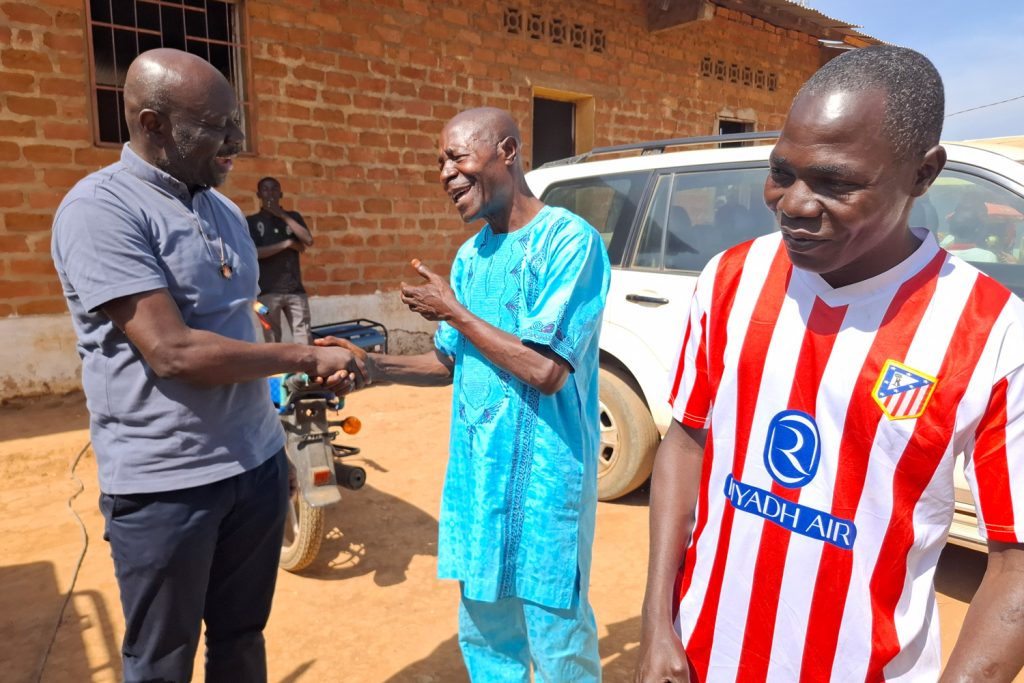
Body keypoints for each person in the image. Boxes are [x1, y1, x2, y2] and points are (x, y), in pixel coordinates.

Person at [636, 45, 1024, 683]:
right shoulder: (731, 277)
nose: (793, 203)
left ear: (923, 174)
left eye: (836, 183)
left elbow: (1015, 562)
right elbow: (686, 441)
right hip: (704, 656)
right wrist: (657, 623)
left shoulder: (992, 332)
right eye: (781, 172)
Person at [50, 48, 365, 683]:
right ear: (154, 124)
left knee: (242, 638)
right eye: (217, 127)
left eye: (236, 122)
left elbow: (239, 319)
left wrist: (282, 412)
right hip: (167, 484)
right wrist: (305, 352)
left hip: (255, 465)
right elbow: (173, 351)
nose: (237, 142)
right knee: (162, 659)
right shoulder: (100, 211)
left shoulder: (221, 209)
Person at [317, 107, 611, 681]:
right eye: (439, 164)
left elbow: (546, 370)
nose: (445, 174)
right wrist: (371, 366)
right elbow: (448, 361)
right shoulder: (471, 257)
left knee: (558, 642)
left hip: (545, 488)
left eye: (456, 158)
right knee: (486, 636)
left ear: (507, 151)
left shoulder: (569, 242)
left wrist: (452, 310)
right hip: (478, 483)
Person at [247, 177, 314, 344]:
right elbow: (254, 253)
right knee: (272, 339)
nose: (270, 193)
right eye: (265, 189)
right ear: (259, 194)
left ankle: (305, 364)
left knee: (304, 339)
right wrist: (287, 244)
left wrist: (282, 215)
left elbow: (308, 239)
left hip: (295, 290)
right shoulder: (252, 222)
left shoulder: (293, 217)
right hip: (266, 292)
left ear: (281, 194)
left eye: (274, 189)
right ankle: (277, 364)